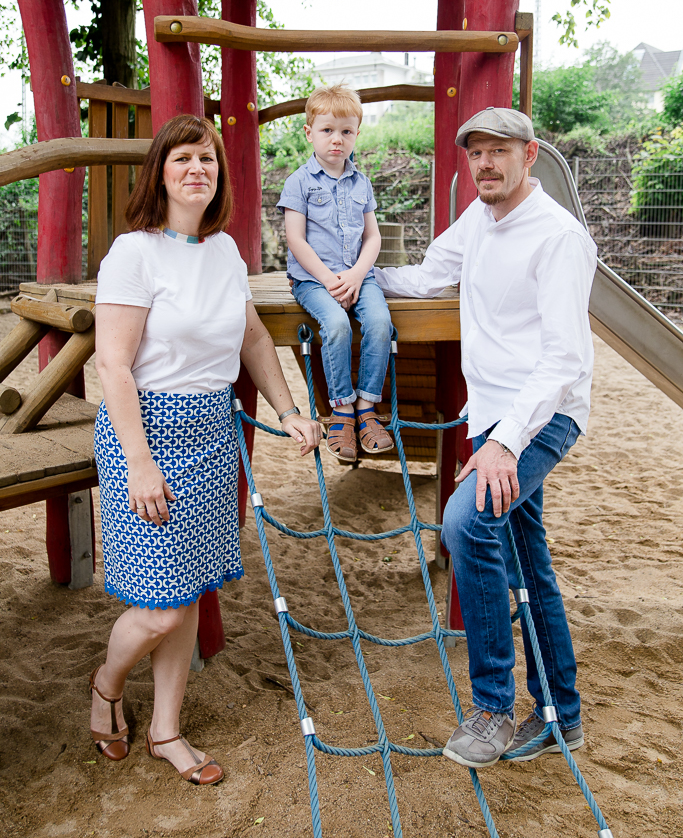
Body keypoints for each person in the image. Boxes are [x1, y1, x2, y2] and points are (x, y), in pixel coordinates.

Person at [91, 114, 321, 785]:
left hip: (213, 432)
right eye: (183, 158)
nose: (198, 169)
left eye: (209, 159)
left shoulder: (223, 252)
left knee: (187, 590)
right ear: (159, 173)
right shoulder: (132, 253)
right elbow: (113, 365)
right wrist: (138, 463)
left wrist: (289, 409)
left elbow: (252, 338)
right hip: (146, 433)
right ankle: (106, 686)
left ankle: (165, 730)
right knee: (159, 605)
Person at [375, 107, 597, 769]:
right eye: (475, 153)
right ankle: (561, 715)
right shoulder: (478, 218)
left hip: (541, 415)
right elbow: (425, 275)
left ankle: (493, 707)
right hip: (492, 415)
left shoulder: (558, 237)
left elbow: (562, 360)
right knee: (527, 559)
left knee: (465, 523)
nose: (485, 164)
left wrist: (504, 443)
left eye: (499, 150)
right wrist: (357, 279)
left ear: (530, 155)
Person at [277, 84, 393, 462]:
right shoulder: (299, 182)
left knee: (380, 322)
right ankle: (341, 408)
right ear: (309, 133)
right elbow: (295, 239)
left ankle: (366, 406)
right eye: (327, 130)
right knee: (338, 326)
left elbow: (373, 237)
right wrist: (329, 280)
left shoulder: (362, 183)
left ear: (357, 133)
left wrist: (357, 274)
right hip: (313, 280)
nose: (337, 139)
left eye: (346, 131)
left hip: (359, 275)